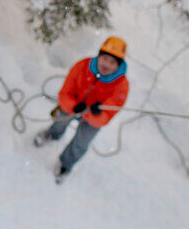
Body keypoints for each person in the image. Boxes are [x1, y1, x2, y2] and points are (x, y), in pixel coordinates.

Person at [34, 36, 129, 182]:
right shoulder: (82, 66)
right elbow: (65, 93)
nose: (106, 64)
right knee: (60, 119)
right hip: (74, 104)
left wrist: (96, 114)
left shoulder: (121, 86)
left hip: (92, 117)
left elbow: (107, 115)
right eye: (104, 59)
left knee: (82, 141)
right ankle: (52, 135)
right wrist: (73, 106)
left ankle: (66, 164)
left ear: (118, 65)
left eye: (112, 62)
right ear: (99, 56)